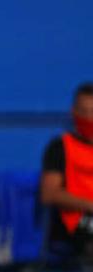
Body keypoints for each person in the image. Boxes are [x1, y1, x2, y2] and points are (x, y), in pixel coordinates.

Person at [39, 82, 93, 261]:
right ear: (73, 112)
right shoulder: (61, 147)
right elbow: (49, 194)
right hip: (73, 223)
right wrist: (89, 204)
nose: (89, 118)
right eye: (83, 111)